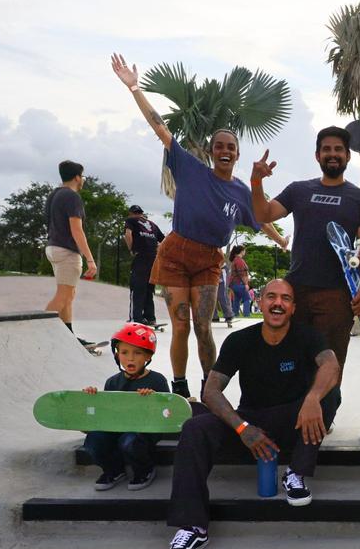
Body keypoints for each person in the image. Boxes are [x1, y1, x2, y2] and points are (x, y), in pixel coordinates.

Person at [161, 279, 341, 549]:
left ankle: (296, 473)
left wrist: (312, 398)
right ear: (260, 302)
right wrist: (243, 428)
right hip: (249, 424)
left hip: (292, 422)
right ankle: (192, 528)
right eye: (271, 296)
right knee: (195, 427)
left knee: (329, 393)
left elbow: (331, 365)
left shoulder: (307, 336)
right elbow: (211, 391)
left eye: (285, 298)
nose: (277, 303)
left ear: (293, 308)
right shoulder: (241, 340)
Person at [111, 54, 261, 399]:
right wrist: (134, 88)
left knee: (203, 326)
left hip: (209, 259)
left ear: (237, 154)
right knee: (180, 326)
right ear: (211, 151)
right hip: (176, 253)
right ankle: (180, 388)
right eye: (219, 146)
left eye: (231, 147)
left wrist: (281, 238)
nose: (225, 151)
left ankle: (211, 387)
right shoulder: (191, 168)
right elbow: (159, 127)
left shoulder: (240, 191)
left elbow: (260, 218)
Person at [249, 127, 360, 401]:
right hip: (297, 291)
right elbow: (263, 213)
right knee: (293, 356)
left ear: (347, 156)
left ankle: (324, 412)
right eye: (327, 149)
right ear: (317, 155)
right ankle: (293, 409)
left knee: (331, 357)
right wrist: (256, 182)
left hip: (337, 294)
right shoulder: (299, 190)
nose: (332, 154)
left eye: (338, 149)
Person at [77, 323, 169, 491]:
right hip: (117, 429)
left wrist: (153, 399)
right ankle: (114, 469)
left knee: (129, 441)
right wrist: (92, 399)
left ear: (148, 356)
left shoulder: (157, 380)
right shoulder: (112, 382)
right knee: (93, 441)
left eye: (137, 353)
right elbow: (105, 414)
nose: (130, 358)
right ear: (117, 355)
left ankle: (144, 469)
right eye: (124, 352)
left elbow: (167, 413)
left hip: (144, 432)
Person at [43, 159, 97, 345]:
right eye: (82, 176)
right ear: (77, 177)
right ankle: (36, 333)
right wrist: (90, 259)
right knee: (63, 296)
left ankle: (68, 336)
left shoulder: (54, 195)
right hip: (66, 251)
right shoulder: (72, 197)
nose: (82, 180)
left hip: (53, 247)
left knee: (68, 294)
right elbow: (77, 230)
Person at [123, 205, 165, 326]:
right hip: (153, 259)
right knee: (149, 289)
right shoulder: (152, 224)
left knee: (137, 288)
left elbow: (128, 234)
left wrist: (131, 249)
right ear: (141, 213)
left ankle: (135, 318)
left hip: (140, 257)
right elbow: (164, 241)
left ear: (131, 213)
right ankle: (150, 318)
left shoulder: (131, 220)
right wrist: (158, 252)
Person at [228, 245, 254, 317]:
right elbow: (242, 273)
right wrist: (246, 284)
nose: (245, 252)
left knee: (237, 299)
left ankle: (235, 314)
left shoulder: (235, 260)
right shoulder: (239, 260)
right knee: (247, 298)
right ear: (242, 251)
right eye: (244, 250)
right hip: (239, 283)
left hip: (233, 284)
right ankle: (246, 314)